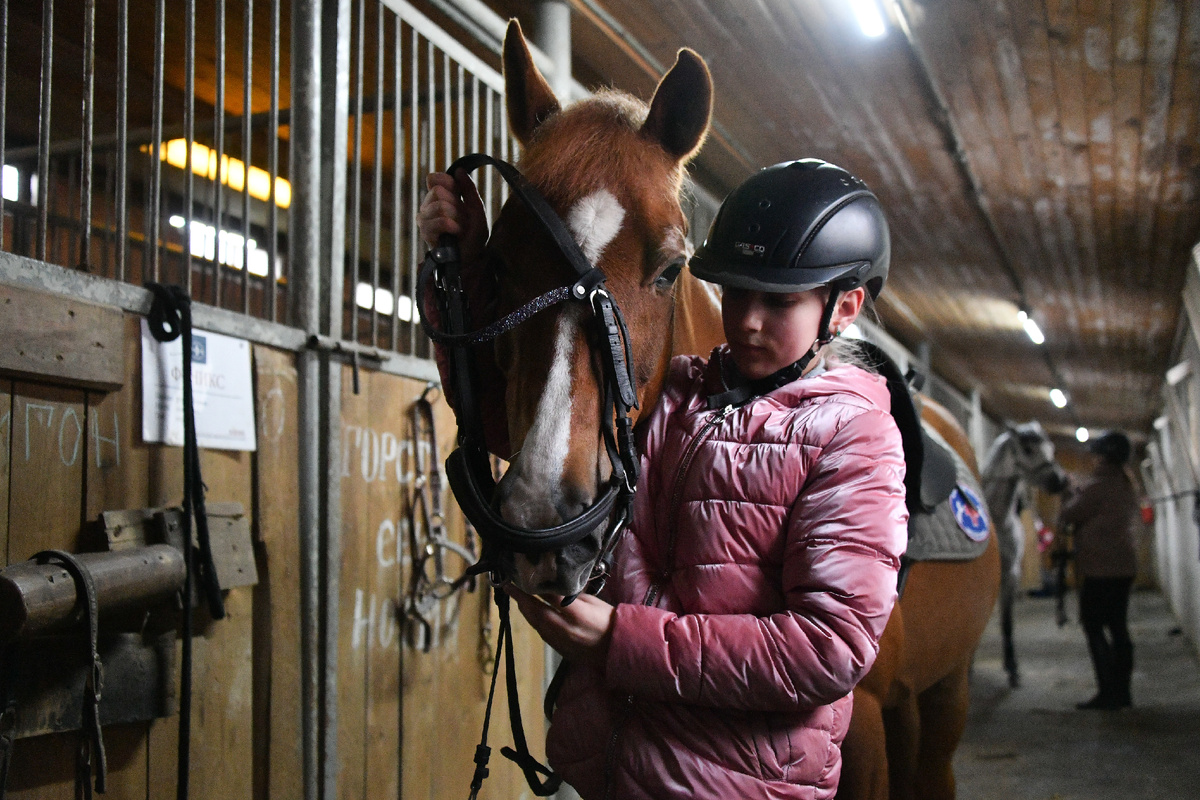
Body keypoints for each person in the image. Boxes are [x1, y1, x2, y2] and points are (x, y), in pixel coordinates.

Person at [419, 159, 908, 799]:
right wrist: (462, 268)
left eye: (779, 301)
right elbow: (516, 429)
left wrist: (622, 642)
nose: (749, 320)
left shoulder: (857, 439)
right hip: (612, 771)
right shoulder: (678, 392)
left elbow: (827, 651)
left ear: (842, 306)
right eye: (735, 292)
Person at [1055, 430, 1139, 710]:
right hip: (1124, 568)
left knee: (1093, 627)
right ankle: (1122, 692)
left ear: (1104, 457)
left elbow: (1069, 514)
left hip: (1099, 570)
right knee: (1118, 628)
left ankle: (1108, 692)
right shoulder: (1126, 484)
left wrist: (1069, 493)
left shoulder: (1097, 486)